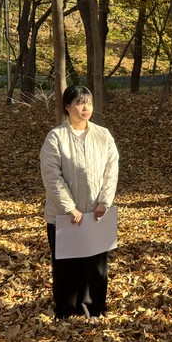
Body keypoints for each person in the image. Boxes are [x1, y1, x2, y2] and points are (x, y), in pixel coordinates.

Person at [40, 85, 120, 319]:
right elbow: (51, 176)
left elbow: (111, 170)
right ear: (67, 106)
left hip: (96, 214)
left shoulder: (103, 135)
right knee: (67, 265)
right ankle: (66, 310)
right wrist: (69, 208)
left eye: (89, 103)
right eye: (79, 103)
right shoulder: (56, 137)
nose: (85, 108)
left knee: (95, 265)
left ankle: (94, 308)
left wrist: (104, 202)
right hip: (64, 216)